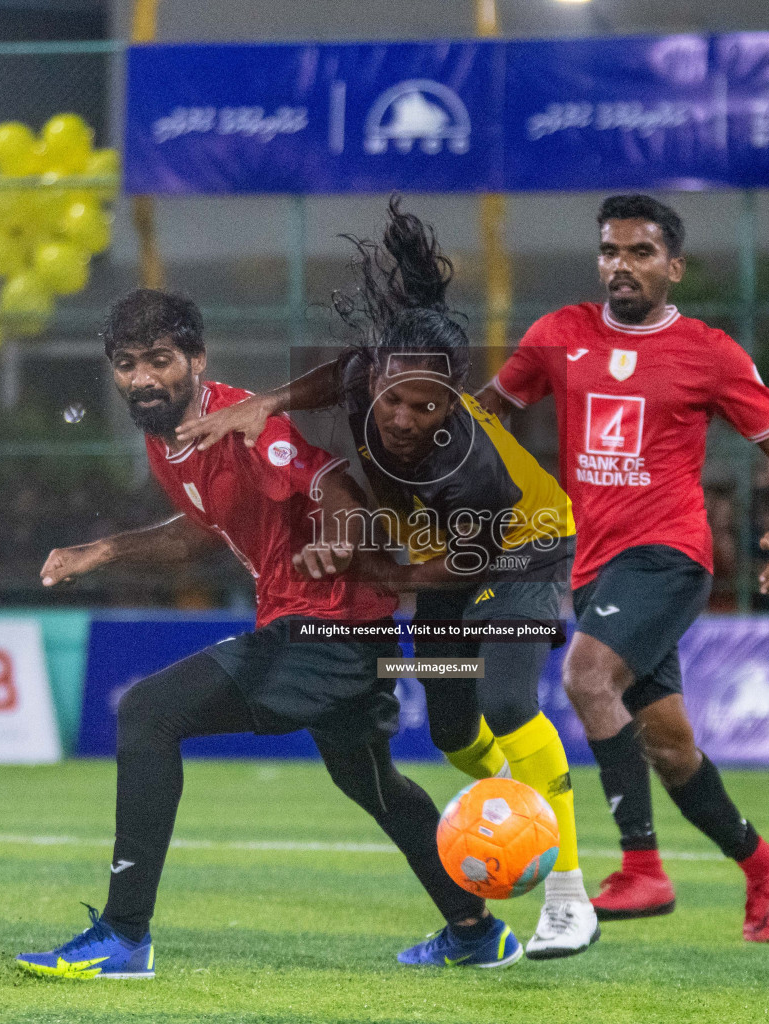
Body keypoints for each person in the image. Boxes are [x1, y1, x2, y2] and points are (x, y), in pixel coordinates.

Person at [15, 289, 523, 979]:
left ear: (196, 360)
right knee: (374, 787)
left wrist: (338, 540)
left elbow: (335, 485)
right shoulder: (167, 440)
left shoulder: (250, 427)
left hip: (325, 632)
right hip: (341, 635)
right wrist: (102, 552)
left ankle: (124, 935)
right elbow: (203, 532)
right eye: (127, 363)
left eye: (160, 360)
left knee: (147, 713)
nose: (142, 377)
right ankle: (475, 930)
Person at [177, 200, 599, 958]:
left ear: (454, 398)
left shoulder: (470, 466)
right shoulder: (368, 381)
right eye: (393, 398)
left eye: (425, 406)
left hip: (519, 555)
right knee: (449, 729)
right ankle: (511, 797)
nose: (403, 417)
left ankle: (567, 894)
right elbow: (339, 373)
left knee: (505, 698)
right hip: (441, 558)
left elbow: (444, 566)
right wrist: (265, 405)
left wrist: (352, 557)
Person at [476, 194, 769, 941]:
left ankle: (642, 868)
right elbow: (488, 410)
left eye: (641, 252)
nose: (621, 265)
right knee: (668, 744)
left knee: (587, 679)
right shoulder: (559, 334)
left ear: (674, 267)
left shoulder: (709, 352)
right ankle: (761, 862)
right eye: (611, 252)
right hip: (593, 566)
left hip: (668, 554)